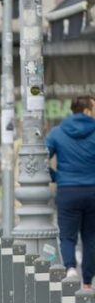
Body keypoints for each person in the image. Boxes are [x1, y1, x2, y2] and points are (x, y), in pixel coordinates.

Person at [47, 95, 95, 289]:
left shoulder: (57, 132)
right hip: (93, 191)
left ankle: (70, 269)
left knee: (67, 236)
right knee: (91, 236)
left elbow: (40, 158)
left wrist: (56, 176)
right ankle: (87, 283)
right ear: (86, 110)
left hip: (67, 191)